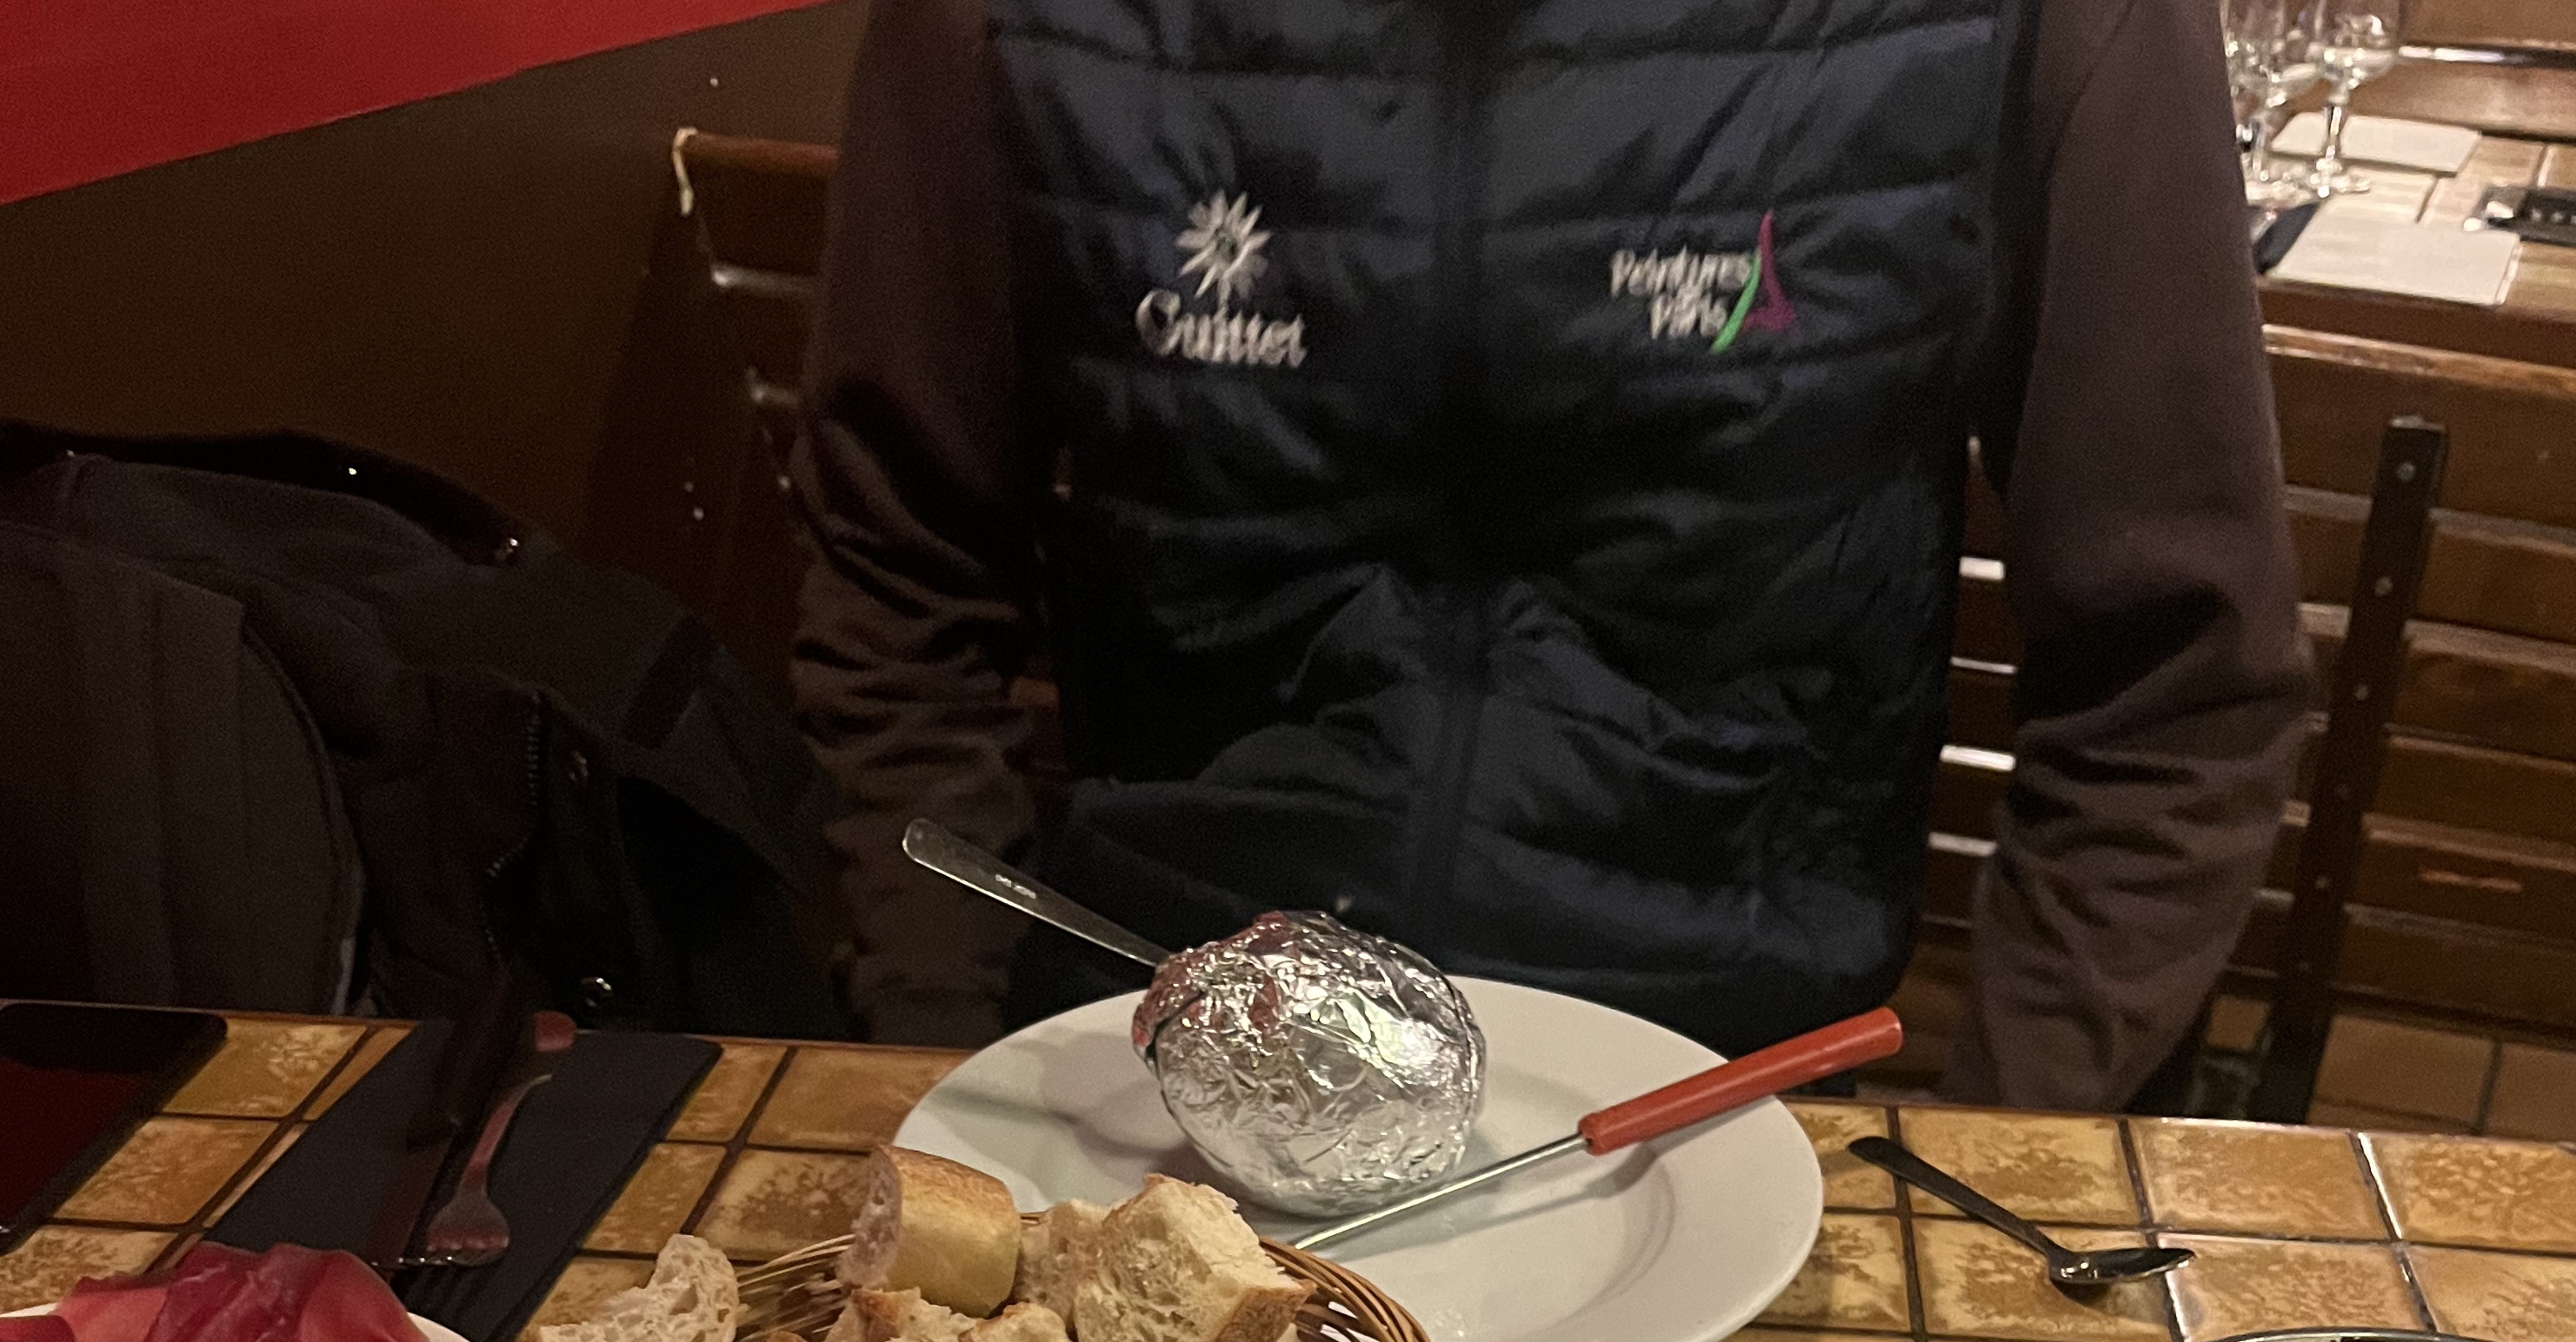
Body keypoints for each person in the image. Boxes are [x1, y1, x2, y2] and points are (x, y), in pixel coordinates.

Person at [789, 0, 2311, 1112]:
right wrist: (940, 1064)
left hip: (1733, 1096)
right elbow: (898, 579)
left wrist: (2001, 1145)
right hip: (1147, 1060)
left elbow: (2176, 684)